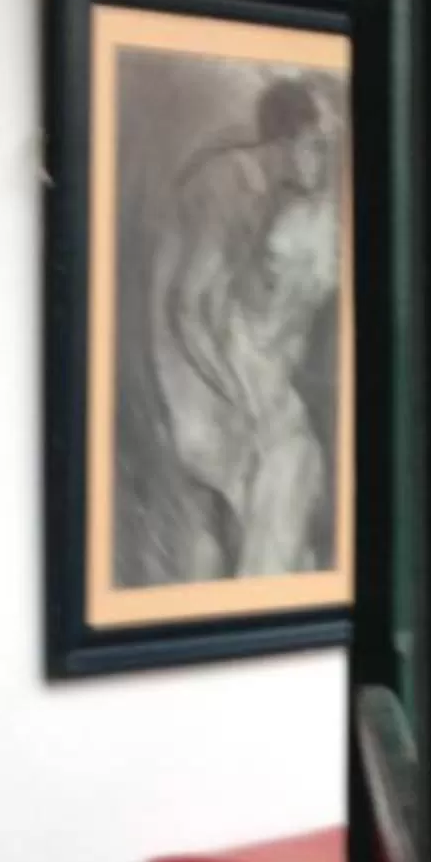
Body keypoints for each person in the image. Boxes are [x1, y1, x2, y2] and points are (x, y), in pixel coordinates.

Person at [147, 73, 341, 579]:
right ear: (286, 141)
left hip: (221, 359)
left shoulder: (265, 189)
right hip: (196, 369)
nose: (324, 163)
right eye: (317, 147)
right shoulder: (229, 183)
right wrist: (242, 399)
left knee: (267, 484)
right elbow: (186, 307)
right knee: (280, 465)